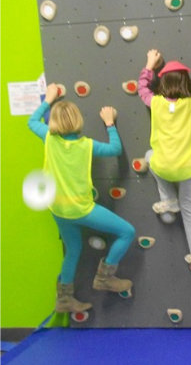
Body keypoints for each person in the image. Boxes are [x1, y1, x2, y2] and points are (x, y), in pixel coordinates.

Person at [28, 83, 135, 313]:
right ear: (78, 120)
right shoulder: (87, 146)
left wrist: (48, 99)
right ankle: (105, 277)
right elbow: (115, 149)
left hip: (57, 209)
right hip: (82, 210)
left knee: (73, 249)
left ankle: (64, 299)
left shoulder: (49, 138)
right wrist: (110, 123)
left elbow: (31, 122)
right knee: (127, 232)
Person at [138, 50, 191, 266]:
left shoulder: (155, 102)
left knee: (150, 156)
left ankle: (168, 199)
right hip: (189, 167)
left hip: (164, 165)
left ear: (164, 82)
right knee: (189, 205)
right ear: (186, 81)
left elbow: (142, 89)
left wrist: (149, 65)